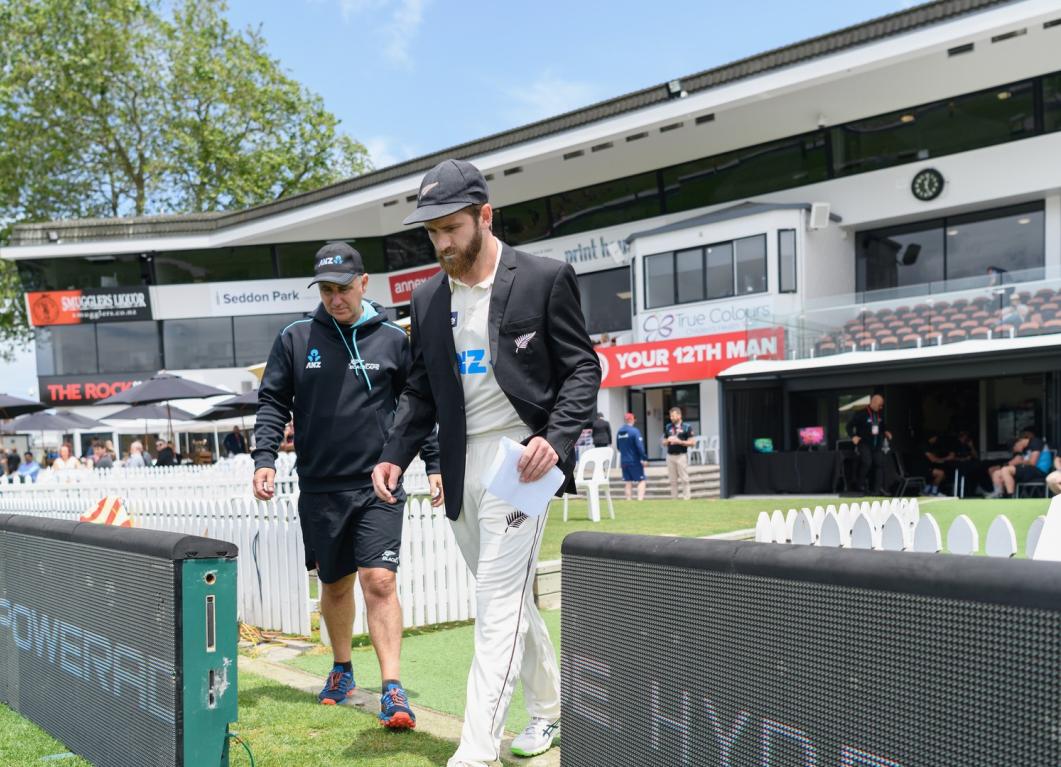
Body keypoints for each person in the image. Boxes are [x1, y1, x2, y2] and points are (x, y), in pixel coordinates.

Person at [371, 159, 600, 766]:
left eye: (451, 228)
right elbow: (421, 390)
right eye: (432, 233)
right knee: (511, 598)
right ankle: (550, 711)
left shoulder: (544, 277)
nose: (442, 243)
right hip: (457, 463)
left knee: (495, 605)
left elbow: (583, 368)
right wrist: (395, 454)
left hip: (523, 463)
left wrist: (555, 436)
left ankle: (474, 753)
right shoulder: (424, 298)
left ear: (484, 215)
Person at [254, 241, 441, 727]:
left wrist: (435, 463)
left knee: (379, 580)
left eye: (343, 289)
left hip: (379, 482)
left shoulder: (394, 340)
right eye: (327, 290)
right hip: (319, 486)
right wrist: (265, 457)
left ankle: (393, 689)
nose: (335, 299)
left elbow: (417, 408)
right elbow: (273, 402)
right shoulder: (296, 338)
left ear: (364, 283)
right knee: (336, 585)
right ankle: (341, 669)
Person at [846, 393, 891, 495]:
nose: (881, 407)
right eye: (879, 405)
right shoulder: (861, 413)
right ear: (873, 402)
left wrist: (887, 431)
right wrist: (853, 436)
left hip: (877, 444)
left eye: (882, 406)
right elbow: (848, 426)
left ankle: (877, 489)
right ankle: (860, 485)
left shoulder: (879, 414)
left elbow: (883, 426)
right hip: (864, 443)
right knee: (867, 462)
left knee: (879, 464)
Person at [987, 427, 1046, 498]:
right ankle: (999, 495)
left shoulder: (1035, 442)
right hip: (1029, 470)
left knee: (1006, 470)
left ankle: (1011, 496)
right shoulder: (1025, 448)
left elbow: (1033, 462)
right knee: (997, 473)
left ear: (1017, 443)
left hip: (1040, 470)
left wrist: (1019, 462)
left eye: (1013, 449)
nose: (1015, 451)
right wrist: (1014, 462)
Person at [662, 406, 694, 501]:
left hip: (681, 456)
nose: (671, 418)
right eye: (670, 416)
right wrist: (667, 440)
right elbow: (663, 441)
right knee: (672, 480)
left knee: (684, 479)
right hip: (670, 456)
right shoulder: (668, 426)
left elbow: (692, 442)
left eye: (673, 416)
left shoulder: (687, 427)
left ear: (679, 415)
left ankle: (686, 499)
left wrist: (679, 441)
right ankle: (674, 500)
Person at [616, 412, 648, 501]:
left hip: (624, 461)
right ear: (631, 419)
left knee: (627, 481)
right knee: (641, 480)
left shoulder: (619, 432)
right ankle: (640, 500)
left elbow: (618, 447)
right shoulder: (634, 431)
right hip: (634, 460)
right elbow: (640, 447)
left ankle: (628, 500)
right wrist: (644, 458)